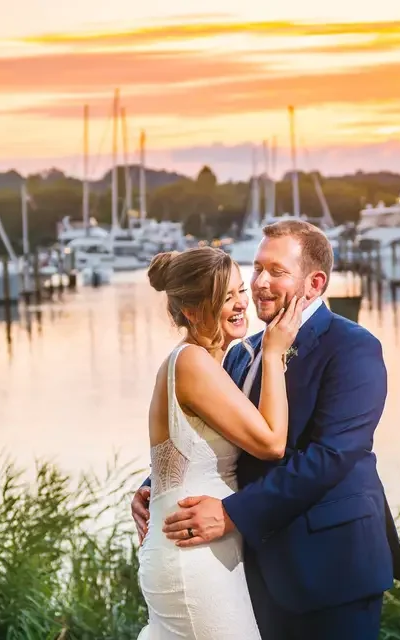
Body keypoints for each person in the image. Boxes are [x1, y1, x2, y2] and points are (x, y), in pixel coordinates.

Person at [133, 219, 400, 640]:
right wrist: (161, 484)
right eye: (257, 268)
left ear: (314, 284)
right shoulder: (247, 351)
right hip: (255, 571)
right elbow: (222, 437)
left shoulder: (352, 347)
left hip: (331, 568)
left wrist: (231, 514)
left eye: (276, 271)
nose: (259, 283)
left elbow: (329, 457)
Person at [137, 245, 304, 640]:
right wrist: (274, 353)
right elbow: (271, 442)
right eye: (225, 297)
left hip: (199, 553)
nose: (241, 304)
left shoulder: (208, 363)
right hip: (193, 558)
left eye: (240, 291)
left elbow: (182, 457)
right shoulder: (192, 362)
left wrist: (150, 487)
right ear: (193, 312)